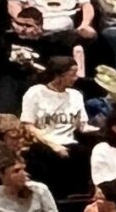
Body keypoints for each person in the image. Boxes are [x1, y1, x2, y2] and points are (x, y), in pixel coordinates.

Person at [18, 53, 90, 196]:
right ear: (59, 75)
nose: (76, 78)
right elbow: (28, 126)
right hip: (43, 142)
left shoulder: (76, 95)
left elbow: (82, 125)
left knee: (84, 153)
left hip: (69, 142)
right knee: (49, 158)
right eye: (72, 74)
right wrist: (53, 145)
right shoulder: (36, 92)